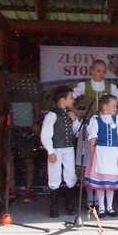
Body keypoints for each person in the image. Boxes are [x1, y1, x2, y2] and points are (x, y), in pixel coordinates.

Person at [73, 59, 118, 208]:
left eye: (103, 71)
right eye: (97, 70)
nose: (100, 73)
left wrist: (114, 114)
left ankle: (102, 201)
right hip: (89, 129)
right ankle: (90, 197)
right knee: (89, 162)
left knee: (104, 166)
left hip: (106, 131)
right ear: (91, 70)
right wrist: (78, 113)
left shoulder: (110, 87)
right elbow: (70, 99)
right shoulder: (84, 86)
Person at [84, 94, 118, 218]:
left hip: (113, 153)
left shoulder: (117, 118)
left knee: (111, 183)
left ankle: (110, 207)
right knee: (101, 183)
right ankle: (101, 207)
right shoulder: (95, 119)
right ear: (104, 106)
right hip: (101, 153)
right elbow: (92, 140)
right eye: (113, 106)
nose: (115, 108)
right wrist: (92, 158)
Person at [40, 86, 80, 218]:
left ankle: (70, 205)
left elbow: (76, 132)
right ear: (63, 99)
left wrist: (74, 120)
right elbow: (45, 134)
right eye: (71, 98)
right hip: (56, 149)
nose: (73, 100)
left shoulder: (69, 114)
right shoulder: (52, 115)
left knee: (70, 175)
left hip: (68, 149)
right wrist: (50, 151)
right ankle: (54, 207)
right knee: (54, 176)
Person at [10, 100, 40, 203]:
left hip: (27, 132)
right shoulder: (11, 95)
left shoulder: (31, 95)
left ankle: (28, 190)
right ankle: (11, 189)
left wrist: (35, 123)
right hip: (12, 130)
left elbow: (37, 111)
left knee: (28, 161)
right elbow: (6, 110)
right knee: (8, 159)